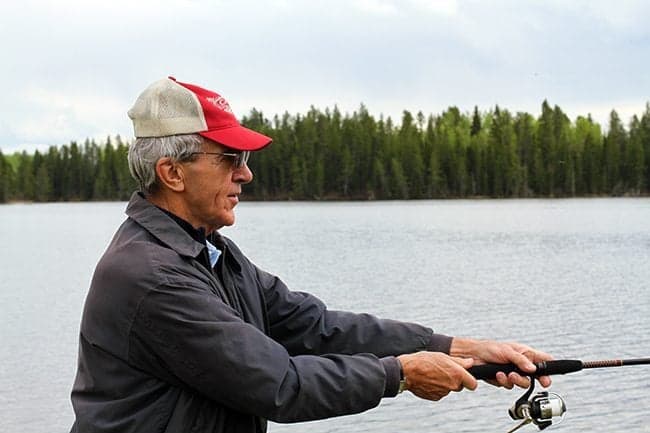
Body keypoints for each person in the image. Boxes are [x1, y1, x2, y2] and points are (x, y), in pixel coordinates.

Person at [69, 77, 552, 433]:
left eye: (245, 160)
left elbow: (315, 326)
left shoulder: (210, 251)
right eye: (230, 159)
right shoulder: (152, 277)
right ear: (172, 173)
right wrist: (401, 374)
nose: (246, 175)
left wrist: (459, 348)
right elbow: (279, 384)